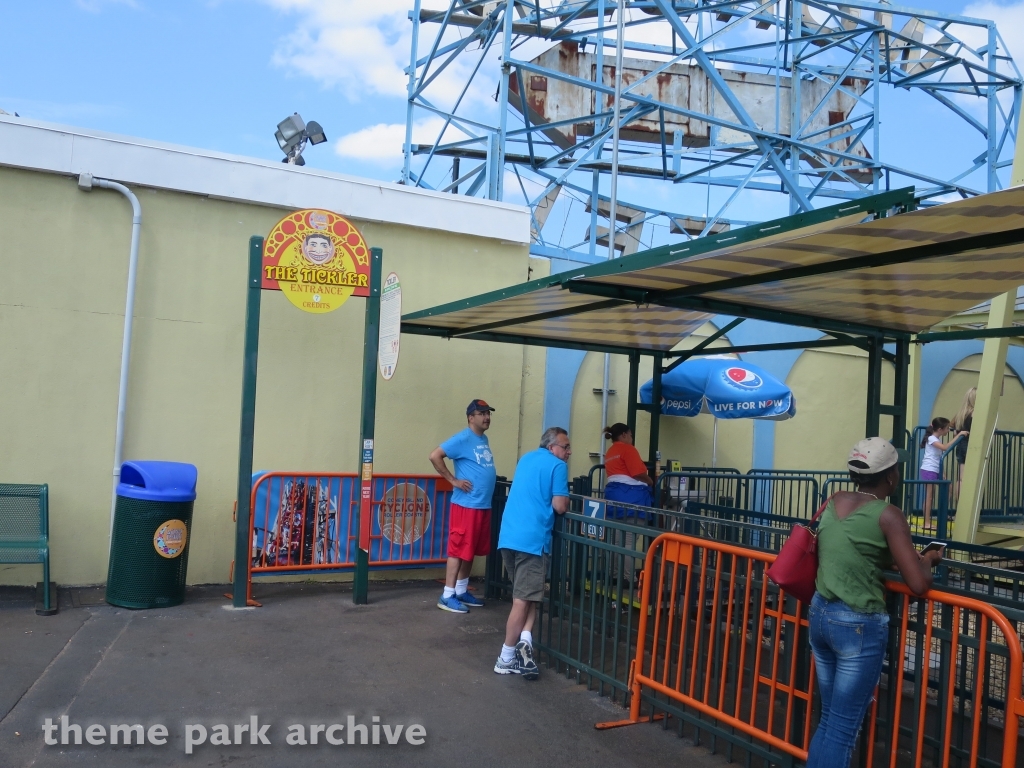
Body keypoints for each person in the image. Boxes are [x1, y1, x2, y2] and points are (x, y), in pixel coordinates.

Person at [806, 437, 942, 768]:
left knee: (829, 719)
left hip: (820, 613)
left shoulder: (834, 500)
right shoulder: (888, 515)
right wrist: (929, 560)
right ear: (890, 476)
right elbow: (918, 584)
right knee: (842, 730)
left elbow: (850, 547)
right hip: (856, 626)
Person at [493, 427, 571, 680]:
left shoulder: (526, 458)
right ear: (552, 447)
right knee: (522, 599)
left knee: (528, 595)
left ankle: (525, 641)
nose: (568, 452)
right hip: (532, 540)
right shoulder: (558, 466)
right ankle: (505, 658)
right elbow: (560, 506)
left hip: (509, 535)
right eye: (565, 447)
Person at [429, 399, 497, 614]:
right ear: (470, 418)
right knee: (458, 549)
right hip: (466, 505)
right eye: (482, 413)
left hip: (481, 505)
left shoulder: (482, 438)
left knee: (471, 549)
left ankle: (460, 590)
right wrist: (454, 481)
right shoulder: (462, 438)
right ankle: (447, 595)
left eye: (488, 413)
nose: (487, 417)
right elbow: (435, 455)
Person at [602, 423, 654, 586]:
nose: (631, 438)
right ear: (624, 434)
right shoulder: (628, 449)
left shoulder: (610, 452)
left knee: (616, 541)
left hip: (614, 498)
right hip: (632, 498)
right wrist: (651, 481)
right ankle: (629, 578)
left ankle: (614, 575)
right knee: (629, 542)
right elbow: (638, 472)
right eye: (630, 435)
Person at [919, 417, 966, 529]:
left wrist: (942, 471)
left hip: (935, 469)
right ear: (940, 429)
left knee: (948, 488)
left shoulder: (937, 438)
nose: (948, 431)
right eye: (947, 428)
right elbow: (945, 448)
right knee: (930, 496)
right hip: (929, 469)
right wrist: (959, 435)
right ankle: (926, 522)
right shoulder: (931, 439)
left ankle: (942, 513)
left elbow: (938, 457)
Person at [952, 387, 976, 501]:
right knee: (972, 477)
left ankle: (959, 507)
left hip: (960, 445)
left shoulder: (961, 414)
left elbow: (954, 431)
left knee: (961, 478)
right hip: (971, 446)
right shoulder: (975, 413)